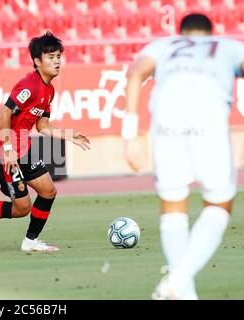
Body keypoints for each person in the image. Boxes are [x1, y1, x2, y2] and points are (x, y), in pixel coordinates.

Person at [123, 13, 244, 299]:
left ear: (181, 32)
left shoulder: (162, 46)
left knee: (173, 207)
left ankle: (183, 293)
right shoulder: (228, 46)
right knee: (219, 204)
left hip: (165, 124)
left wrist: (130, 135)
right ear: (210, 33)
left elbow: (136, 74)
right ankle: (176, 283)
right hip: (208, 122)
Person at [0, 31, 90, 252]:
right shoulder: (29, 85)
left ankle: (31, 241)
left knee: (48, 191)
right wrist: (8, 150)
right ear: (37, 62)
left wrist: (68, 134)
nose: (56, 62)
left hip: (23, 149)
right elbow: (3, 114)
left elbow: (42, 125)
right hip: (4, 151)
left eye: (58, 57)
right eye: (51, 57)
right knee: (22, 208)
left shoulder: (49, 90)